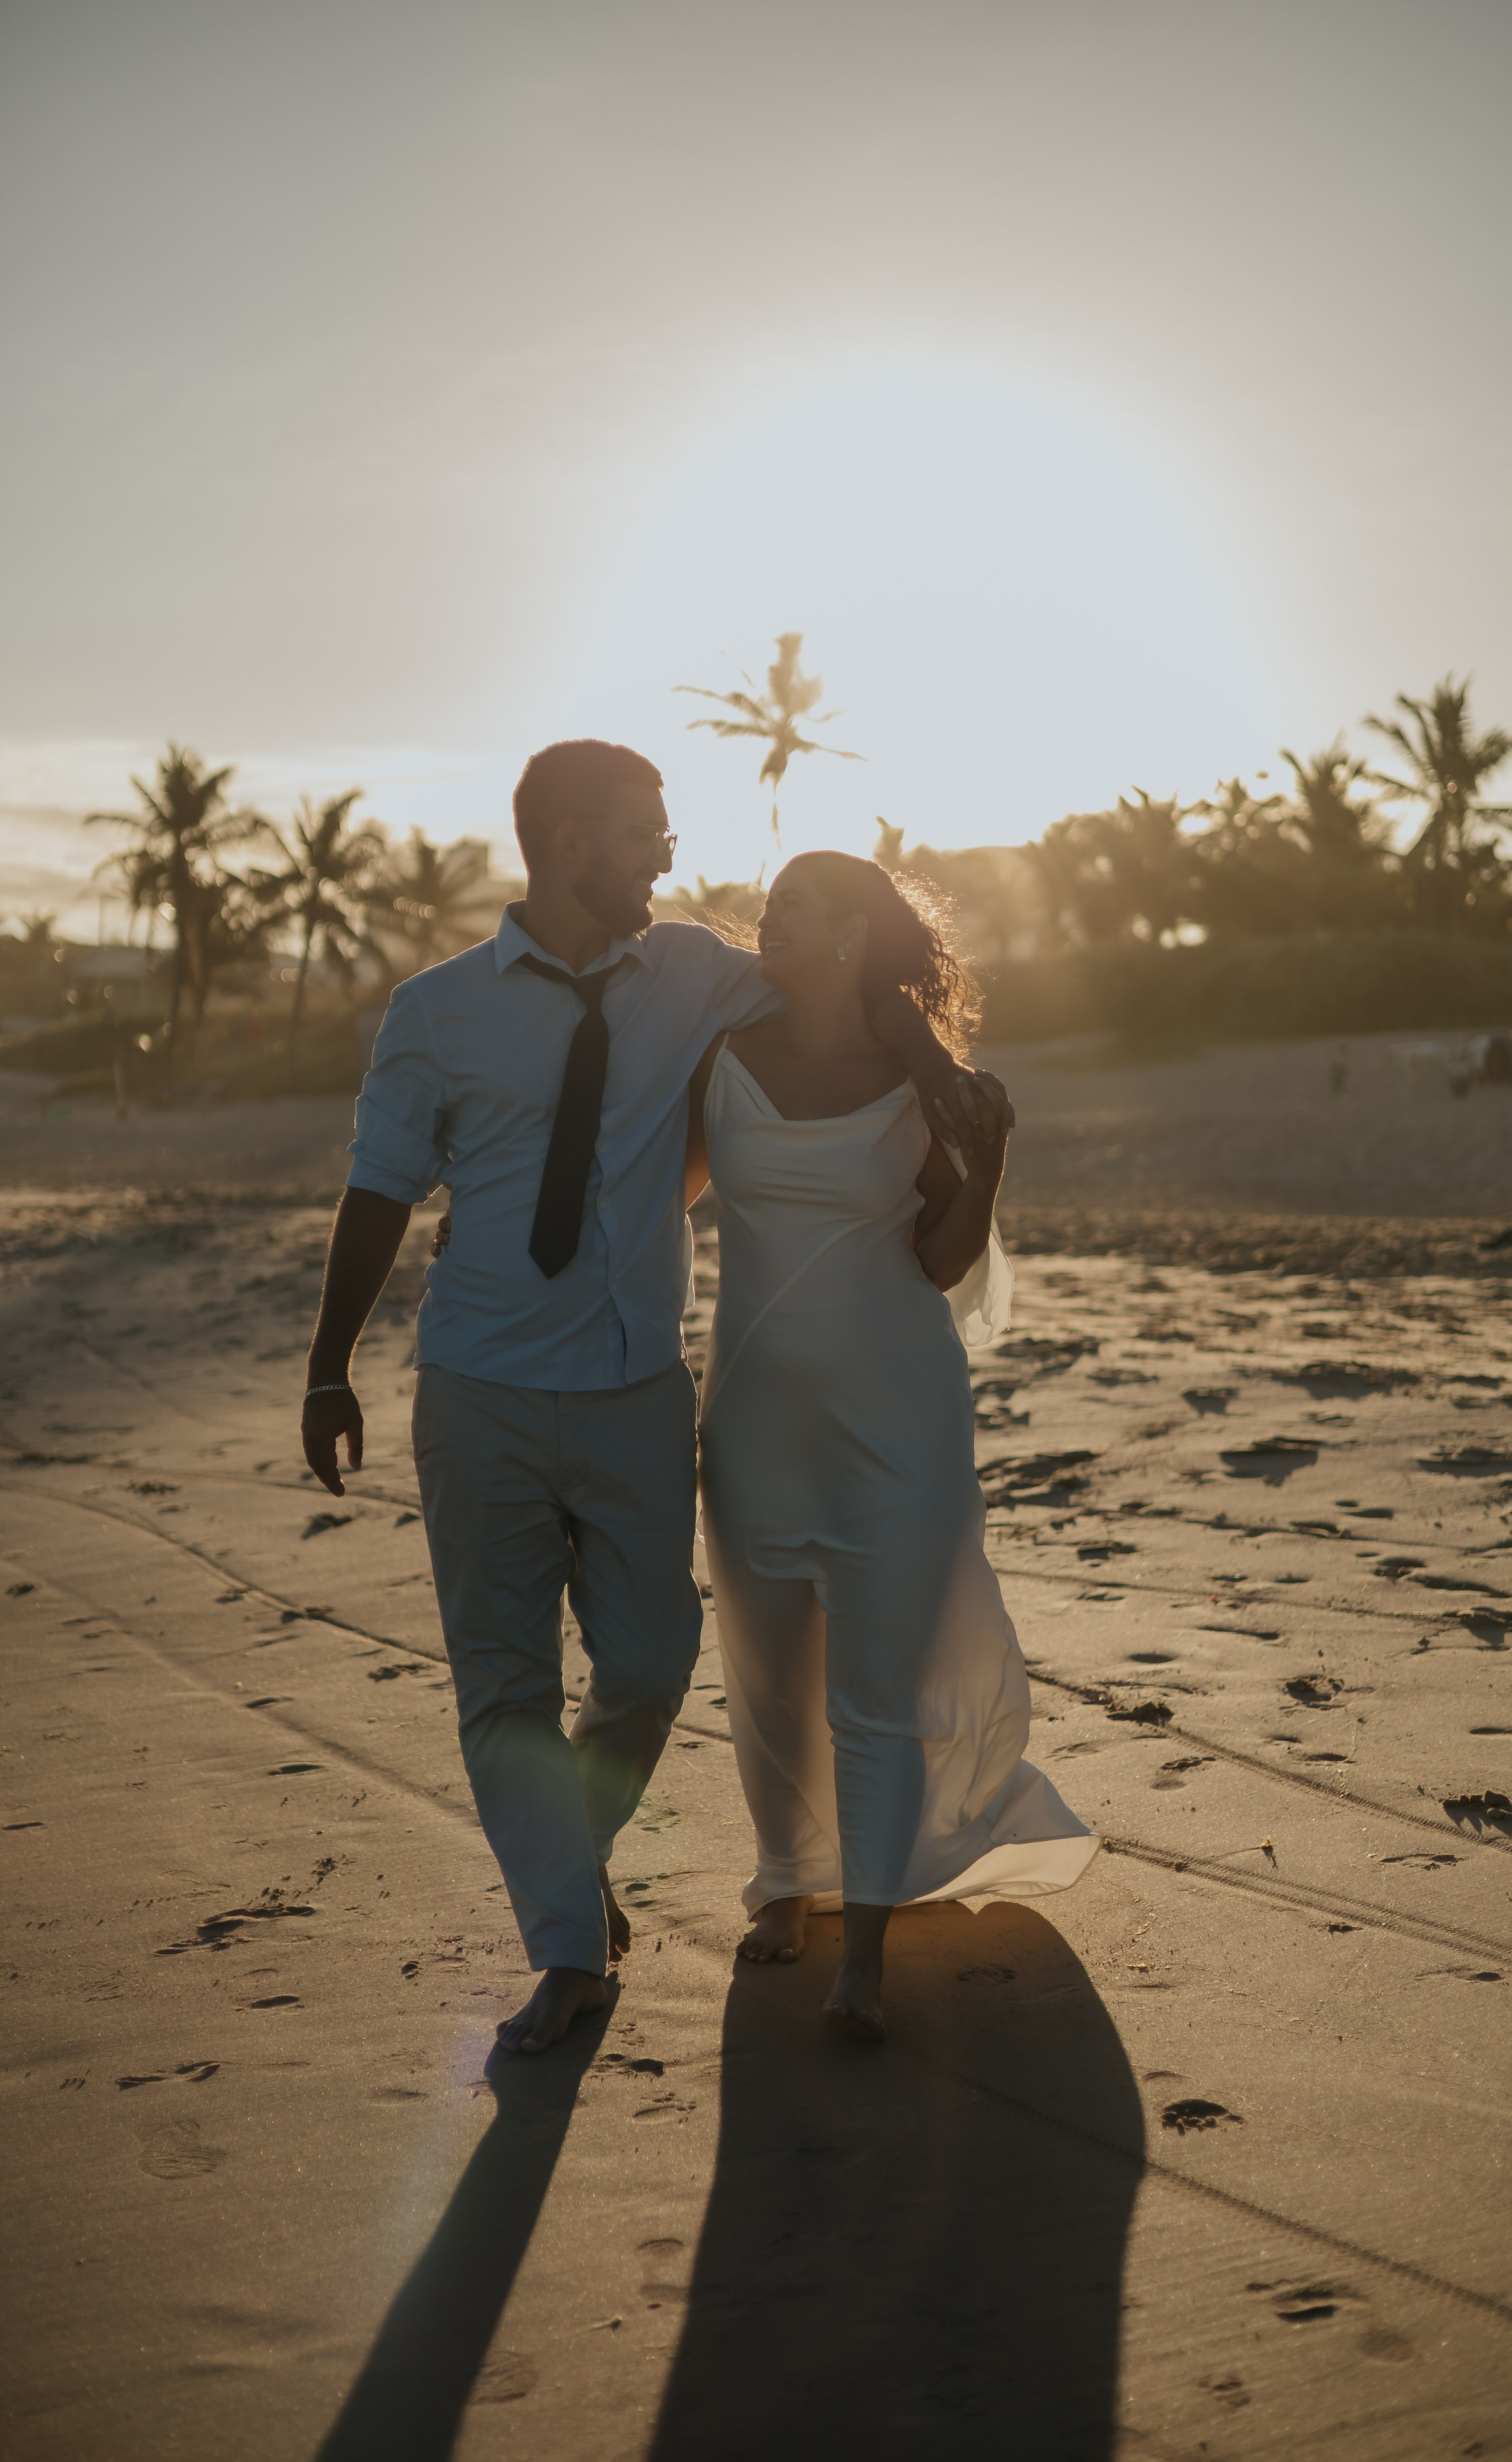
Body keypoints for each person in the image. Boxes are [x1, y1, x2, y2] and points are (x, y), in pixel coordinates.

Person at [300, 740, 998, 2054]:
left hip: (631, 1391)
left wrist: (940, 1072)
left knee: (650, 1657)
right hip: (477, 1390)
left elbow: (854, 978)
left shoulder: (690, 973)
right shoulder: (434, 1012)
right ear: (568, 844)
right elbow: (382, 1189)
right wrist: (330, 1361)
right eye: (644, 835)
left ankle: (565, 1868)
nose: (668, 858)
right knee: (500, 1687)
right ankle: (569, 1952)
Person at [686, 852, 1096, 2041]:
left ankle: (861, 1948)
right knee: (770, 1679)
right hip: (756, 1418)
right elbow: (647, 1198)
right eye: (768, 906)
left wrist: (993, 1157)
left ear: (857, 935)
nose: (769, 922)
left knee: (873, 1687)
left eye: (796, 909)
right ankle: (787, 1879)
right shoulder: (721, 1063)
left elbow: (944, 1258)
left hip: (899, 1418)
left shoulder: (914, 1084)